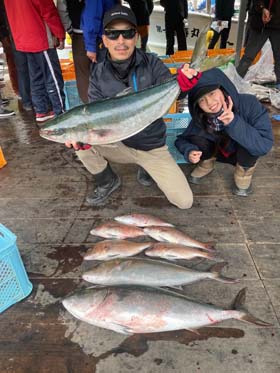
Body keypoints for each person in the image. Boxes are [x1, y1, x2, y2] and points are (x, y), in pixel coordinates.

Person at [66, 4, 194, 209]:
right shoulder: (97, 74)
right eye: (113, 34)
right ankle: (107, 180)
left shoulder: (152, 63)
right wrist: (86, 140)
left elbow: (172, 90)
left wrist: (184, 85)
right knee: (80, 142)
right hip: (120, 144)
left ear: (136, 37)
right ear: (104, 39)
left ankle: (147, 167)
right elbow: (95, 115)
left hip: (152, 147)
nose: (121, 40)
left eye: (127, 33)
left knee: (184, 202)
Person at [175, 66, 273, 196]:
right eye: (201, 100)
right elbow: (181, 139)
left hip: (242, 153)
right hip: (219, 151)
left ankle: (243, 173)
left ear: (223, 90)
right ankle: (207, 163)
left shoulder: (250, 104)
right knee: (197, 138)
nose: (209, 103)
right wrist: (189, 151)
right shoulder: (202, 116)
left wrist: (233, 122)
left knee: (250, 143)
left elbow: (264, 146)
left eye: (212, 93)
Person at [4, 0, 66, 122]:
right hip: (39, 35)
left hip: (22, 37)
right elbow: (48, 10)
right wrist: (59, 33)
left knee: (36, 76)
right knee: (52, 77)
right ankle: (61, 112)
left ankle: (42, 110)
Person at [236, 0, 280, 89]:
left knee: (279, 57)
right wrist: (262, 8)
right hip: (260, 23)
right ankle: (234, 83)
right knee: (248, 56)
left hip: (277, 25)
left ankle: (279, 85)